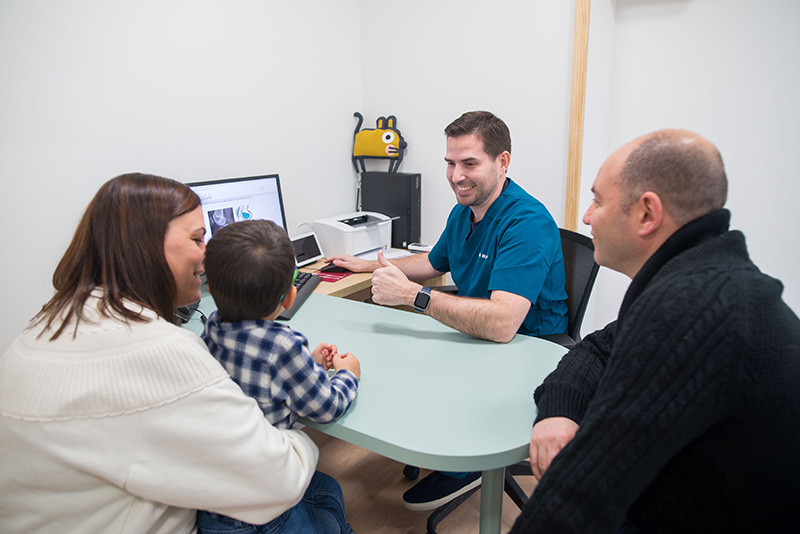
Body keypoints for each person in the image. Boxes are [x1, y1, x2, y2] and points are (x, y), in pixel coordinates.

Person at [511, 129, 800, 533]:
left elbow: (580, 495)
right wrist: (559, 408)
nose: (586, 216)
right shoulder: (706, 281)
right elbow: (596, 349)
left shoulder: (695, 310)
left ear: (647, 213)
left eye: (597, 199)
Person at [0, 174, 320, 533]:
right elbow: (280, 479)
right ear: (145, 247)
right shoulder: (157, 349)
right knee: (323, 495)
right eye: (199, 239)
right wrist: (292, 434)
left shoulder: (50, 322)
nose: (207, 254)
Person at [329, 110, 569, 510]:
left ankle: (468, 467)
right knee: (400, 351)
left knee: (421, 353)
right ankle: (437, 440)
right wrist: (370, 264)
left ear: (503, 162)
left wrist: (415, 297)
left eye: (469, 163)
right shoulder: (465, 211)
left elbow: (504, 324)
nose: (456, 176)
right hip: (479, 333)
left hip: (528, 343)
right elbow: (431, 264)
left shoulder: (526, 221)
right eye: (450, 163)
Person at [196, 219, 361, 534]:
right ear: (289, 297)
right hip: (265, 505)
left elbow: (257, 376)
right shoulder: (283, 345)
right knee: (330, 498)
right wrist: (346, 374)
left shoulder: (212, 327)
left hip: (215, 504)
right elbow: (325, 408)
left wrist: (307, 364)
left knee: (326, 488)